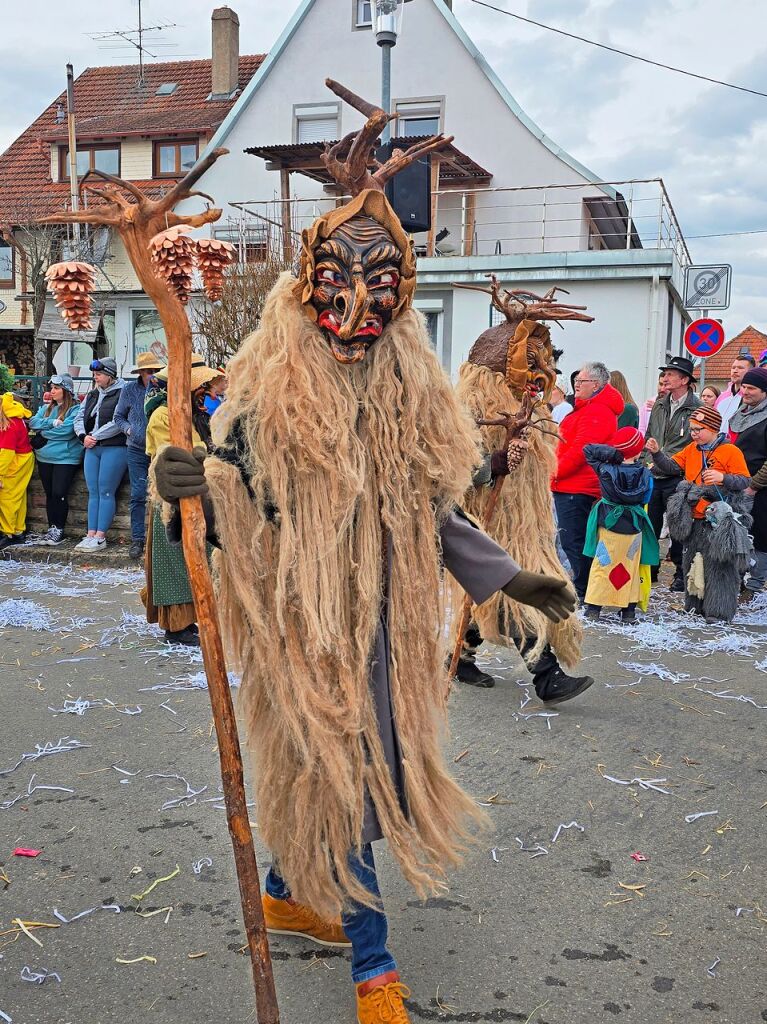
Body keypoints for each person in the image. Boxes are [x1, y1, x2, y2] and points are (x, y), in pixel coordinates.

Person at [153, 86, 576, 1024]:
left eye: (378, 285)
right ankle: (372, 971)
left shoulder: (411, 403)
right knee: (341, 773)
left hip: (382, 620)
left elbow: (430, 512)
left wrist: (515, 581)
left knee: (348, 764)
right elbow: (236, 493)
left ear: (404, 295)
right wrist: (193, 484)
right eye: (334, 284)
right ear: (304, 287)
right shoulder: (268, 394)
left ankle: (287, 892)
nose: (353, 307)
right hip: (301, 623)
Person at [451, 289, 593, 701]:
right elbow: (456, 467)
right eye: (535, 361)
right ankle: (545, 674)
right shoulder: (470, 408)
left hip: (522, 522)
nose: (544, 370)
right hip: (486, 523)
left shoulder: (529, 406)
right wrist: (493, 463)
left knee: (490, 592)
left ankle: (459, 656)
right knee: (512, 590)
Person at [647, 406, 751, 622]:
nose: (693, 433)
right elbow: (671, 467)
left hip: (718, 521)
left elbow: (744, 480)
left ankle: (718, 612)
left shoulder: (731, 451)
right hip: (694, 518)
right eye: (692, 429)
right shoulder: (691, 449)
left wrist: (723, 478)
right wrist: (657, 453)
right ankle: (694, 606)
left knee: (719, 567)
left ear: (713, 428)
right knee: (693, 563)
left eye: (698, 429)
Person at [141, 363, 219, 646]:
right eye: (202, 386)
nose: (206, 392)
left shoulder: (197, 414)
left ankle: (196, 617)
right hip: (171, 500)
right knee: (173, 562)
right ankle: (177, 625)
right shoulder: (163, 415)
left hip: (199, 493)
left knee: (200, 558)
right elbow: (169, 454)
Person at [552, 361, 624, 602]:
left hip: (577, 486)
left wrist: (553, 472)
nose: (576, 385)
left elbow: (581, 451)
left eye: (580, 381)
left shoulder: (598, 412)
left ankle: (584, 590)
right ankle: (583, 586)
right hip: (569, 484)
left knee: (575, 540)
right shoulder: (588, 408)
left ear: (595, 384)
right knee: (573, 538)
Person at [582, 428, 658, 622]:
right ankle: (628, 611)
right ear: (638, 450)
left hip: (609, 523)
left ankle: (594, 608)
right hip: (633, 525)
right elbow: (647, 497)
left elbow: (588, 450)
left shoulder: (605, 470)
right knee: (630, 565)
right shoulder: (646, 474)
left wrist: (613, 454)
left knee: (603, 563)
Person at [645, 356, 701, 591]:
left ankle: (680, 573)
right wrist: (645, 462)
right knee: (651, 525)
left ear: (684, 380)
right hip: (653, 474)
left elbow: (695, 443)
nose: (665, 378)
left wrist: (678, 466)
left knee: (678, 529)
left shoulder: (697, 408)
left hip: (678, 476)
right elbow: (650, 434)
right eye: (664, 374)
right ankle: (651, 569)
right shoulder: (660, 403)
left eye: (670, 374)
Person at [115, 352, 166, 559]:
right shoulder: (129, 389)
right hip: (136, 447)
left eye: (156, 371)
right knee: (138, 494)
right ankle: (137, 539)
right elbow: (118, 416)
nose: (152, 375)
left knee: (162, 494)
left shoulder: (165, 388)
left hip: (160, 447)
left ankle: (162, 541)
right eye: (149, 372)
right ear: (141, 373)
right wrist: (128, 429)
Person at [73, 358, 127, 552]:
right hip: (91, 446)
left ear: (110, 376)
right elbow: (79, 416)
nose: (96, 378)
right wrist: (83, 436)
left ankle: (100, 536)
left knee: (106, 490)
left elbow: (117, 421)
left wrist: (94, 436)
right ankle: (90, 534)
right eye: (95, 374)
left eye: (100, 374)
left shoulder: (123, 392)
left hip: (114, 446)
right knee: (93, 491)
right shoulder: (93, 394)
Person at [27, 373, 83, 545]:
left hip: (65, 458)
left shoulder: (75, 408)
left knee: (59, 493)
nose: (52, 391)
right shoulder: (47, 408)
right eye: (52, 388)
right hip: (45, 456)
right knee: (50, 494)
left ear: (66, 391)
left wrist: (44, 432)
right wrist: (51, 424)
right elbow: (33, 422)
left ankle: (59, 528)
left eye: (56, 388)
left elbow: (66, 432)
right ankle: (51, 528)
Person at [730, 366, 767, 600]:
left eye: (751, 388)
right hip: (737, 485)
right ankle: (738, 581)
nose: (745, 391)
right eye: (743, 386)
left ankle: (754, 586)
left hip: (760, 489)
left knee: (760, 537)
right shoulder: (740, 412)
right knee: (739, 534)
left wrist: (753, 486)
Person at [0, 391, 34, 550]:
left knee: (7, 497)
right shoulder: (16, 419)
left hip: (14, 463)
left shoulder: (8, 425)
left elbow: (6, 454)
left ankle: (7, 533)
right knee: (18, 497)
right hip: (23, 459)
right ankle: (18, 531)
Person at [716, 353, 755, 434]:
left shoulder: (751, 398)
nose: (735, 371)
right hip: (716, 444)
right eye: (733, 367)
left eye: (740, 368)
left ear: (751, 372)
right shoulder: (722, 397)